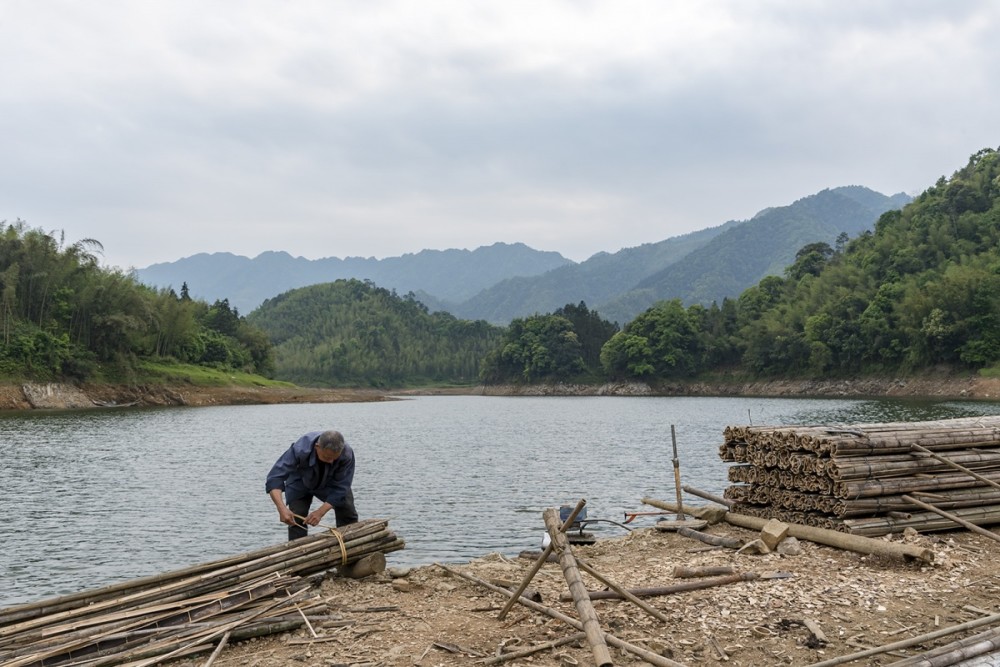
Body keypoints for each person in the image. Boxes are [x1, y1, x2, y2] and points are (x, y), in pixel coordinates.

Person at [265, 430, 358, 540]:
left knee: (346, 508)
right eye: (327, 457)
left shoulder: (346, 453)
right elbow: (275, 477)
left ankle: (349, 543)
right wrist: (281, 508)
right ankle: (298, 551)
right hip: (300, 482)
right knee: (296, 516)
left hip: (330, 483)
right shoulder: (301, 449)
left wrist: (320, 512)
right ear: (317, 447)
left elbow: (341, 487)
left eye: (335, 458)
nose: (331, 461)